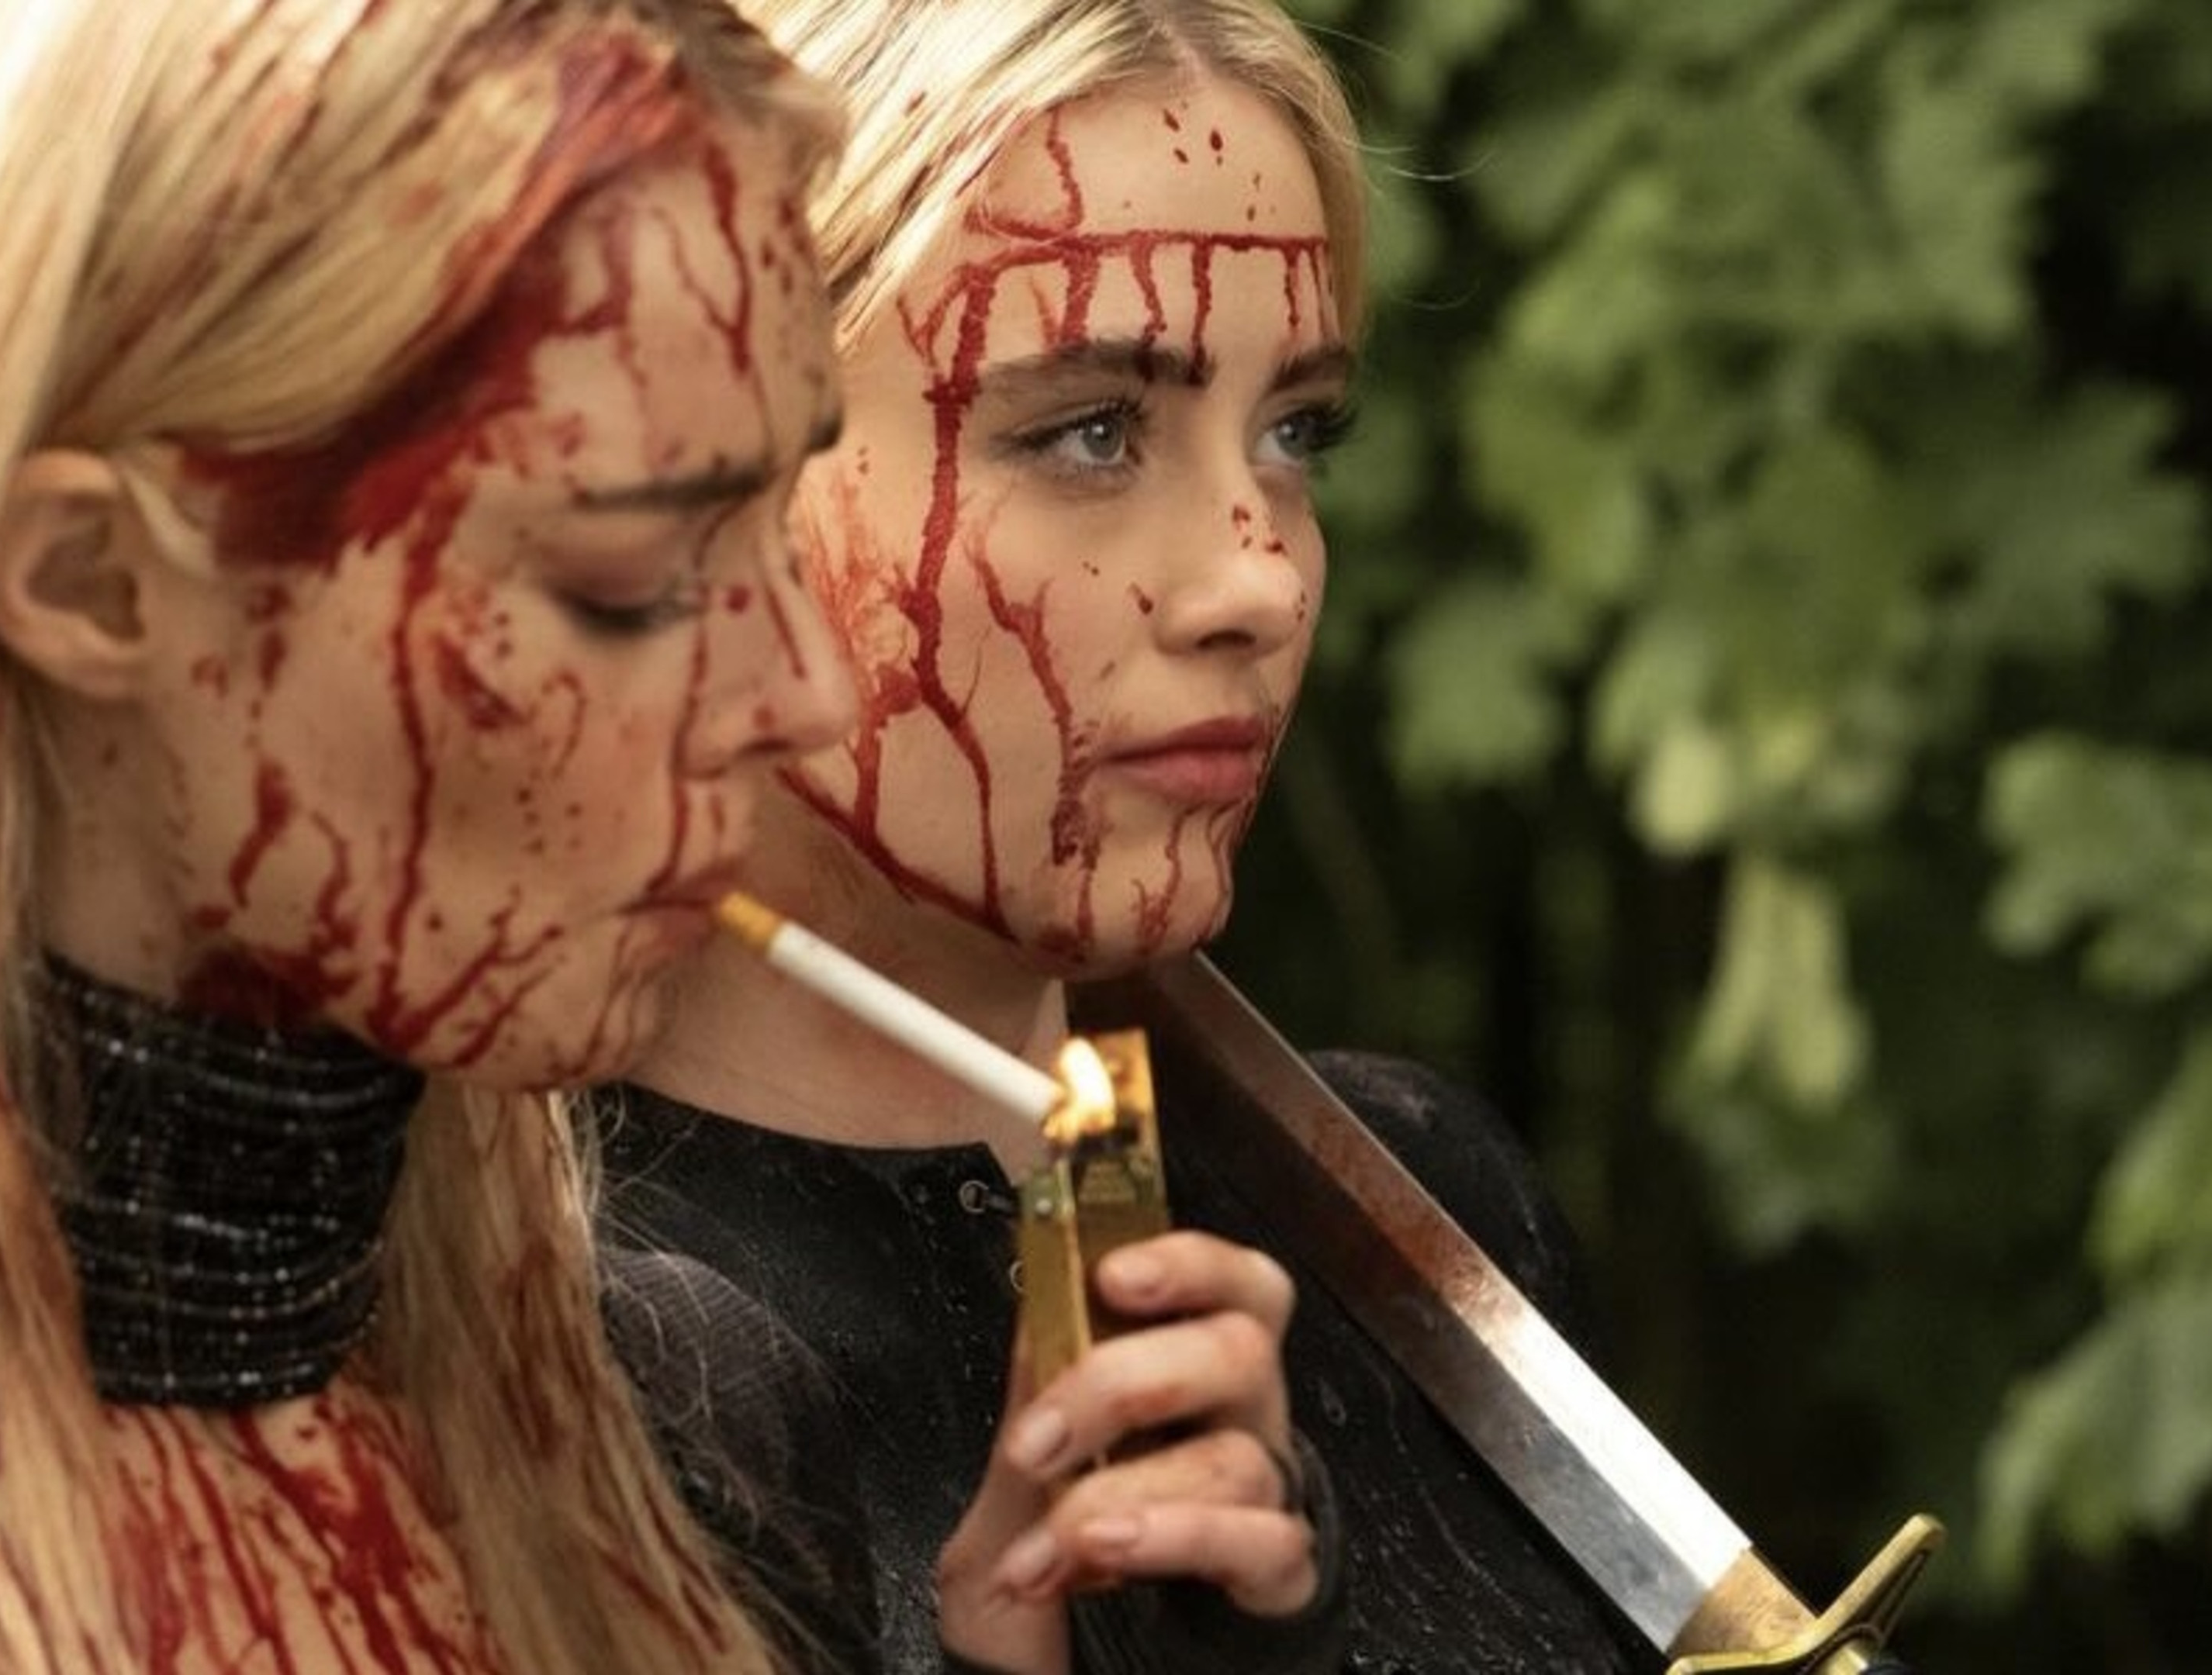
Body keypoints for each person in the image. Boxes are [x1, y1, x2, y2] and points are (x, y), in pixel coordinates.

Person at [0, 1, 1103, 1670]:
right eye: (632, 578)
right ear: (89, 583)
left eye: (776, 522)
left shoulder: (676, 1444)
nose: (802, 695)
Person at [600, 1, 1650, 1670]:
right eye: (1090, 430)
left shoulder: (1405, 1222)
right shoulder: (502, 1356)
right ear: (696, 478)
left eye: (1296, 432)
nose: (1261, 578)